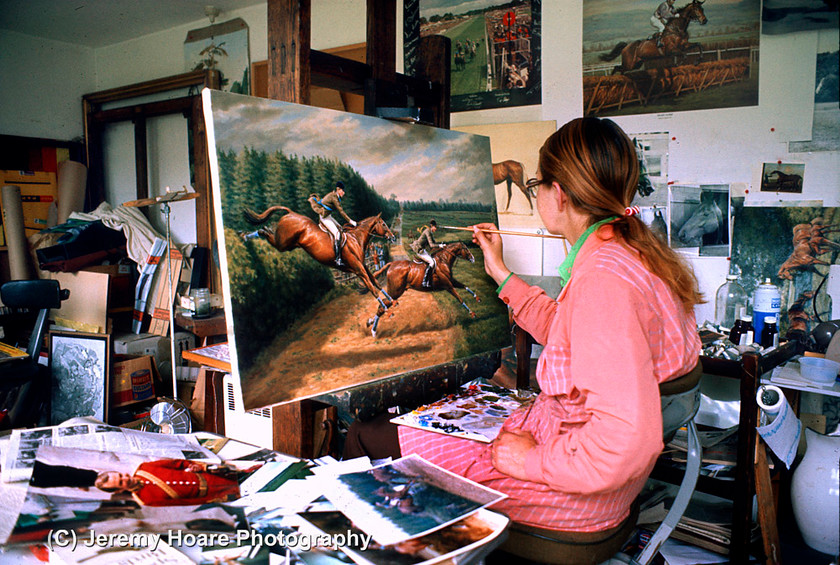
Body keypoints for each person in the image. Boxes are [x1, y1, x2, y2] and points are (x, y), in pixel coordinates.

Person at [345, 117, 703, 542]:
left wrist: (529, 460)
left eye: (535, 186)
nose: (536, 196)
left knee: (366, 434)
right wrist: (498, 271)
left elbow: (628, 441)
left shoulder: (605, 280)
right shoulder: (628, 253)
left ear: (560, 193)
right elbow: (566, 332)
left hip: (572, 495)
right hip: (583, 470)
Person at [30, 459, 256, 507]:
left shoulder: (145, 468)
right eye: (122, 483)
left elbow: (178, 463)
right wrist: (223, 500)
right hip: (214, 495)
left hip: (214, 476)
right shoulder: (147, 501)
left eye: (122, 475)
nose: (126, 478)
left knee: (253, 474)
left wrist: (201, 467)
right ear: (119, 490)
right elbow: (186, 504)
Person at [308, 181, 357, 266]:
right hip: (324, 217)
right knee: (337, 233)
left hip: (328, 216)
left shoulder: (335, 196)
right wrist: (350, 221)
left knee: (340, 228)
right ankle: (337, 259)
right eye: (343, 191)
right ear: (338, 189)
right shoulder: (334, 197)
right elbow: (341, 211)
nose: (344, 193)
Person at [410, 219, 445, 288]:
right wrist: (439, 246)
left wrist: (442, 245)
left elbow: (434, 243)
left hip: (422, 249)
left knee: (433, 259)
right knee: (432, 262)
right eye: (435, 227)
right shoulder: (427, 232)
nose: (436, 228)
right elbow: (432, 245)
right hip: (419, 250)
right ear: (431, 226)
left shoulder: (430, 232)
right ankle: (425, 281)